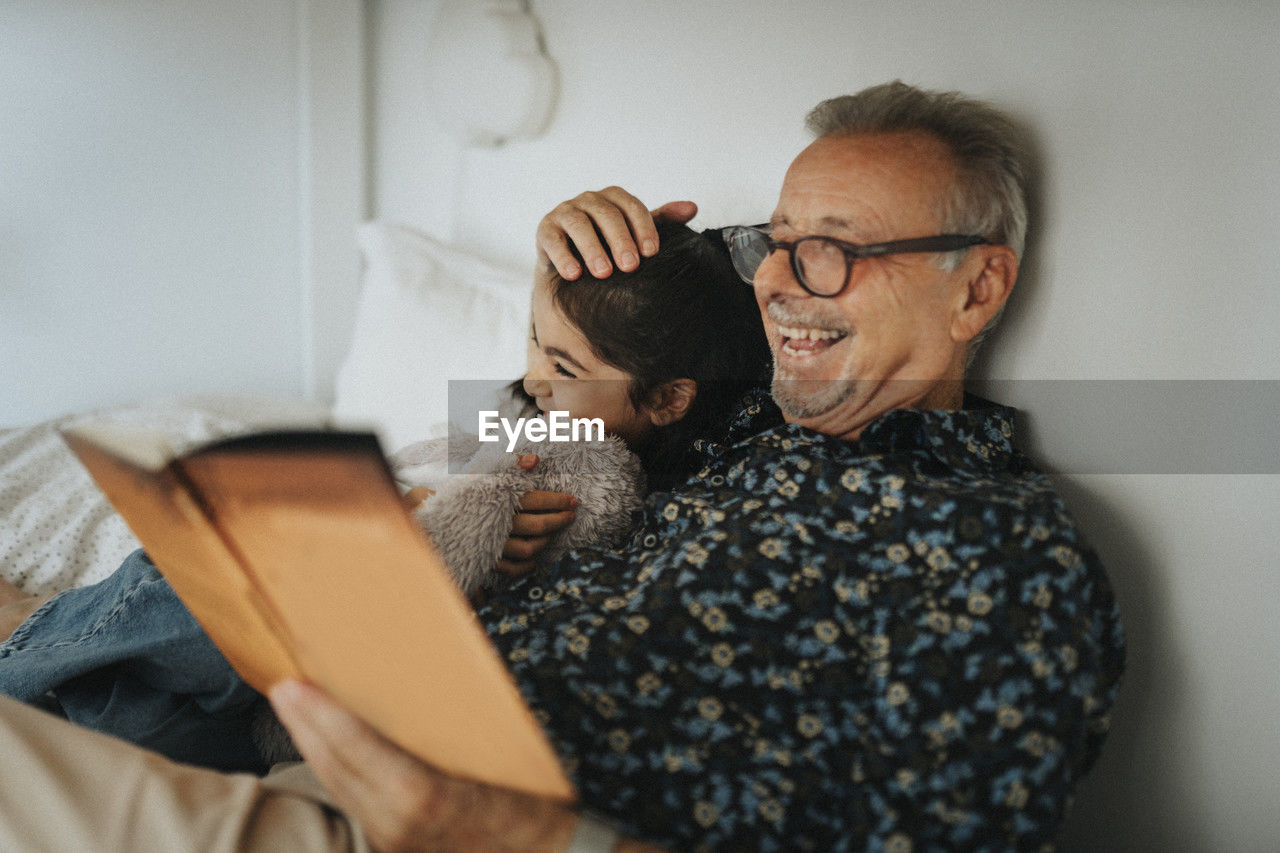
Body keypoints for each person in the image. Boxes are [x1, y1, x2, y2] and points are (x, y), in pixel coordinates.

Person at [0, 81, 1125, 852]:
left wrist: (523, 836)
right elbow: (538, 422)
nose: (778, 282)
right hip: (312, 733)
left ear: (976, 288)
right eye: (771, 241)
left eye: (830, 248)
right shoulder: (732, 425)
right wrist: (564, 265)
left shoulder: (1000, 551)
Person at [0, 221, 772, 772]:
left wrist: (442, 526)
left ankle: (24, 649)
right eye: (533, 338)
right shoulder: (529, 416)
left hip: (353, 660)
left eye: (563, 364)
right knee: (176, 616)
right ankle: (33, 651)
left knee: (188, 635)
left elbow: (468, 520)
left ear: (669, 399)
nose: (535, 374)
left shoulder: (626, 484)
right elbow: (447, 448)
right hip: (322, 616)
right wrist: (409, 494)